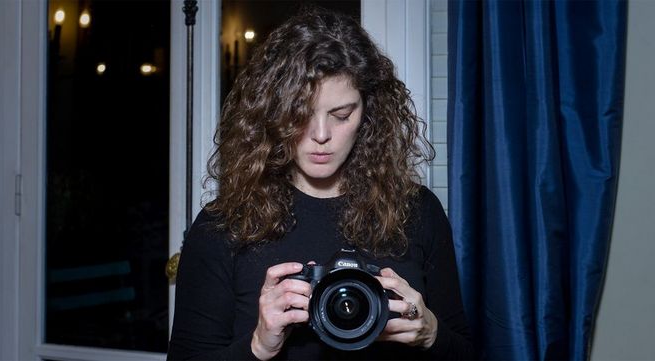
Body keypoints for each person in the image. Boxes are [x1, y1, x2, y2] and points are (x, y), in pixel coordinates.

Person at [167, 7, 473, 360]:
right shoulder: (221, 228)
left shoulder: (418, 211)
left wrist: (431, 333)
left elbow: (465, 352)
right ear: (274, 112)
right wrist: (258, 346)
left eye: (342, 115)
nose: (322, 135)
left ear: (368, 113)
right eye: (301, 114)